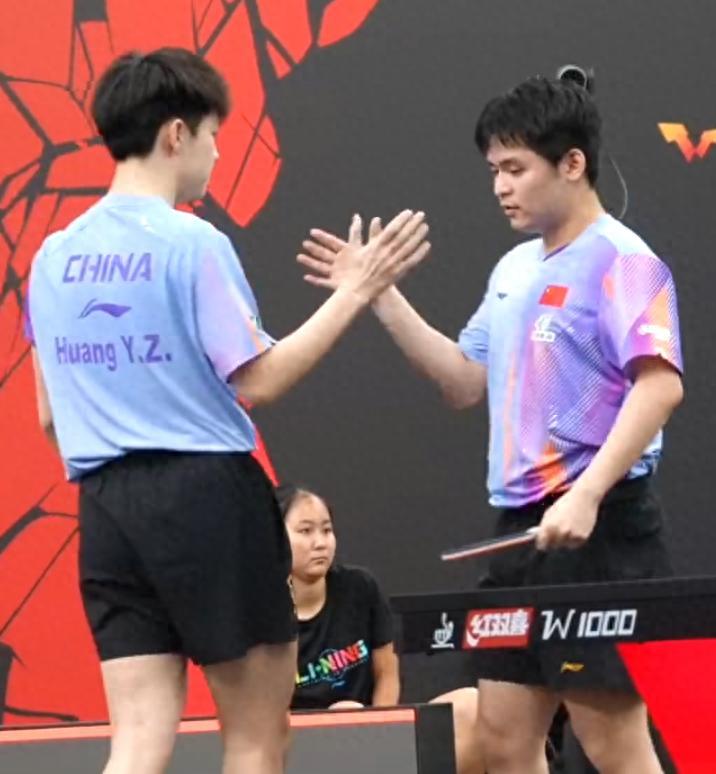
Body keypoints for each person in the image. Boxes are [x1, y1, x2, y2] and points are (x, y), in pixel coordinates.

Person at [25, 47, 429, 774]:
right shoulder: (193, 242)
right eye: (214, 134)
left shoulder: (52, 258)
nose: (217, 153)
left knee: (137, 742)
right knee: (257, 737)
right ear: (176, 134)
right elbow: (260, 379)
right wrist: (357, 290)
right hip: (207, 496)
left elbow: (51, 419)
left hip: (107, 509)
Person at [298, 75, 684, 774]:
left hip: (601, 532)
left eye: (515, 168)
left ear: (572, 163)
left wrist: (587, 495)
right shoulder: (512, 269)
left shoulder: (624, 259)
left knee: (614, 747)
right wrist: (378, 294)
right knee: (503, 742)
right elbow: (461, 380)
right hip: (519, 533)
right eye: (493, 171)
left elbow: (659, 386)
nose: (501, 187)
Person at [279, 484, 485, 774]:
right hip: (303, 748)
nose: (320, 542)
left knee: (472, 705)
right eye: (305, 531)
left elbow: (386, 672)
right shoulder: (264, 613)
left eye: (326, 530)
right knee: (345, 716)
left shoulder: (359, 587)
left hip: (372, 731)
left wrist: (379, 731)